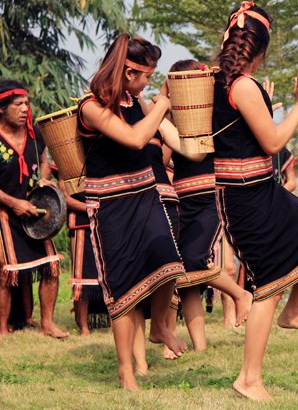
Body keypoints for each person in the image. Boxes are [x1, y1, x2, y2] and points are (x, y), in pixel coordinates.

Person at [213, 2, 298, 400]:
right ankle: (249, 379)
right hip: (244, 198)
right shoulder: (241, 85)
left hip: (263, 190)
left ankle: (293, 313)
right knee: (269, 283)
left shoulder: (219, 82)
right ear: (259, 51)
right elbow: (274, 142)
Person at [77, 34, 187, 390]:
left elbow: (162, 134)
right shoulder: (90, 107)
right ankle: (126, 370)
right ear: (127, 72)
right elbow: (136, 139)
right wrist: (161, 104)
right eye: (144, 76)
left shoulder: (136, 99)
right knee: (122, 290)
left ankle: (158, 327)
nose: (147, 83)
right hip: (109, 205)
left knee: (170, 263)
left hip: (145, 196)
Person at [163, 59, 253, 349]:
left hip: (209, 198)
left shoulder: (214, 114)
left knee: (193, 262)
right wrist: (162, 115)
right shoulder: (168, 119)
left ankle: (240, 294)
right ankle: (200, 346)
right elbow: (163, 161)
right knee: (185, 275)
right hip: (182, 202)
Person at [0, 79, 67, 338]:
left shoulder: (34, 134)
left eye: (27, 104)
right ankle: (3, 329)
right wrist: (14, 203)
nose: (25, 109)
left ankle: (47, 323)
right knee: (6, 271)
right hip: (5, 213)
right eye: (18, 105)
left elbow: (43, 162)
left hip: (35, 212)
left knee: (50, 266)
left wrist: (44, 179)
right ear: (2, 108)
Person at [61, 182, 108, 336]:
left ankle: (115, 323)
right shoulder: (67, 160)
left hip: (106, 221)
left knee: (111, 274)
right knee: (80, 275)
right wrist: (90, 209)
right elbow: (64, 197)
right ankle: (84, 327)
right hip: (80, 222)